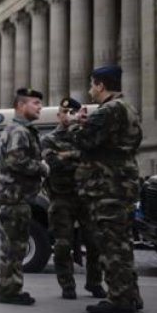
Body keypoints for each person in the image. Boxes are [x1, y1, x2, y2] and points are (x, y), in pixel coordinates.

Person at [73, 65, 144, 313]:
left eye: (92, 85)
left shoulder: (109, 110)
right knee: (122, 243)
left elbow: (85, 142)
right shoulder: (128, 108)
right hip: (123, 183)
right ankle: (130, 293)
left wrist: (78, 124)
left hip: (108, 186)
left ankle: (119, 298)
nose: (90, 90)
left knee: (111, 244)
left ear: (101, 85)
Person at [40, 97, 104, 300]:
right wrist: (75, 156)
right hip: (61, 197)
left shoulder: (85, 136)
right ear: (59, 115)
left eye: (72, 112)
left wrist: (66, 154)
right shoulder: (48, 139)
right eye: (64, 112)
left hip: (86, 197)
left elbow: (93, 160)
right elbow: (52, 163)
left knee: (95, 242)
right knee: (62, 244)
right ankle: (67, 285)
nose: (68, 115)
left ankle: (94, 283)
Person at [0, 87, 47, 306]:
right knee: (14, 246)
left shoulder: (20, 129)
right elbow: (17, 162)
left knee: (13, 245)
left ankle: (9, 287)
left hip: (15, 197)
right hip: (14, 198)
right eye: (35, 103)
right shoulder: (19, 131)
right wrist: (42, 167)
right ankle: (9, 290)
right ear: (21, 105)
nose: (39, 107)